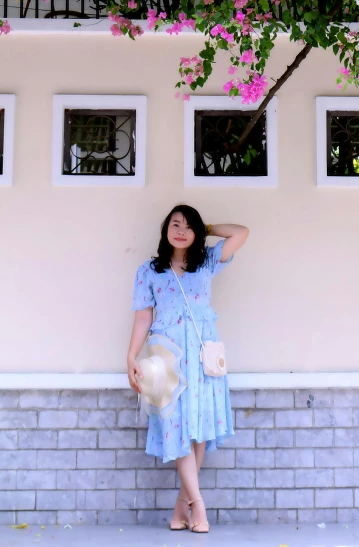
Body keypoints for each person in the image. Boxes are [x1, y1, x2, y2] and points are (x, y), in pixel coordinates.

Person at [127, 204, 249, 533]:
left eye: (188, 226)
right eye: (175, 224)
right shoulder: (149, 271)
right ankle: (199, 507)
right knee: (179, 428)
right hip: (167, 361)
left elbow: (241, 233)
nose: (181, 230)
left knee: (197, 433)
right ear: (165, 229)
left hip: (202, 358)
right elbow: (142, 317)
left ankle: (181, 509)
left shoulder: (206, 262)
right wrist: (131, 357)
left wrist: (205, 226)